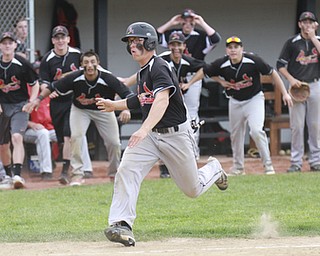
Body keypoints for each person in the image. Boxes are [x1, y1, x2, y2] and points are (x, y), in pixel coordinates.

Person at [96, 22, 228, 247]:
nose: (132, 46)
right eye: (129, 42)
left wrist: (143, 128)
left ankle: (214, 169)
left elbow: (161, 100)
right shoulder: (143, 71)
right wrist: (114, 105)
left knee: (192, 189)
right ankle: (121, 224)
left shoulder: (159, 66)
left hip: (175, 136)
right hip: (151, 136)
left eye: (136, 41)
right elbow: (140, 99)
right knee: (127, 169)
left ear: (149, 42)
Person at [184, 36, 293, 175]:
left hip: (254, 99)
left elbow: (273, 73)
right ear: (227, 50)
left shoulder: (253, 60)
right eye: (230, 47)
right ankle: (238, 168)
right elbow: (205, 71)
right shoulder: (222, 63)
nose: (233, 50)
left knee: (256, 130)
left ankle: (268, 165)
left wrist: (284, 93)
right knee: (236, 135)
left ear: (242, 49)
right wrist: (217, 82)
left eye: (236, 47)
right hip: (235, 101)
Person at [24, 51, 134, 185]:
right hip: (81, 110)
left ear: (98, 64)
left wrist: (126, 108)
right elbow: (53, 87)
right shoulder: (75, 77)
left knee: (114, 143)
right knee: (75, 137)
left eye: (93, 62)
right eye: (86, 62)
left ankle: (114, 173)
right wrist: (38, 100)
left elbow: (126, 93)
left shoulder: (107, 78)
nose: (90, 65)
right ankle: (77, 174)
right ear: (81, 65)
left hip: (104, 109)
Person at [120, 32, 206, 178]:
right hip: (160, 111)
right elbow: (144, 88)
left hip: (180, 109)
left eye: (179, 44)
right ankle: (165, 169)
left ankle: (198, 164)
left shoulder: (176, 62)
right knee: (127, 170)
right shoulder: (158, 62)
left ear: (184, 46)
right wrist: (125, 85)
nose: (175, 47)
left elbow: (205, 68)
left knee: (192, 186)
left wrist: (189, 83)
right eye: (172, 44)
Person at [157, 9, 221, 155]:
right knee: (169, 113)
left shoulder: (199, 35)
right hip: (172, 79)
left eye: (190, 21)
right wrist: (172, 22)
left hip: (192, 77)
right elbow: (154, 36)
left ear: (184, 46)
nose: (188, 23)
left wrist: (201, 21)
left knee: (192, 114)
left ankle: (193, 152)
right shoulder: (174, 35)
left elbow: (216, 39)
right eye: (184, 21)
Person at [38, 25, 92, 185]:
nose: (60, 40)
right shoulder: (48, 59)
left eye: (63, 37)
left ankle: (66, 170)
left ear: (68, 39)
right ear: (53, 40)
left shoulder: (77, 54)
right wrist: (48, 91)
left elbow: (88, 71)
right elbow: (43, 82)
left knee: (70, 135)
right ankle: (74, 167)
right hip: (57, 101)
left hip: (73, 99)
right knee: (63, 138)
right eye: (57, 37)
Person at [277, 11, 320, 172]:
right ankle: (296, 162)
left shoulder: (318, 41)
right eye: (305, 22)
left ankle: (316, 160)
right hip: (296, 87)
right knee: (297, 126)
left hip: (315, 85)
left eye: (311, 22)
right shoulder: (292, 42)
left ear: (315, 25)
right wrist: (291, 79)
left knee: (315, 125)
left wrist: (314, 37)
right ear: (300, 24)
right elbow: (280, 65)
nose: (307, 25)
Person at [0, 32, 39, 189]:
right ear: (0, 46)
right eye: (4, 43)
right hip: (3, 106)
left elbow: (35, 83)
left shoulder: (21, 63)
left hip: (20, 105)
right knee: (3, 145)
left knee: (17, 137)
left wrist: (31, 102)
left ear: (15, 45)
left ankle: (17, 174)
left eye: (10, 43)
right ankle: (8, 175)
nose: (7, 45)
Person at [23, 96, 57, 180]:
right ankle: (46, 171)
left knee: (72, 134)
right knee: (43, 134)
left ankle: (84, 169)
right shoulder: (25, 96)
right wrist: (31, 124)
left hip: (50, 129)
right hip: (27, 130)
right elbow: (17, 118)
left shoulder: (48, 96)